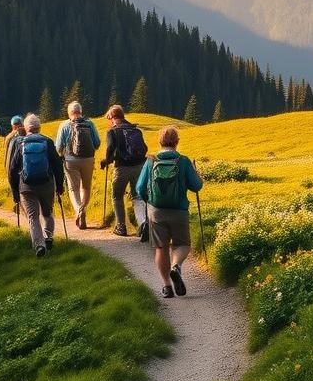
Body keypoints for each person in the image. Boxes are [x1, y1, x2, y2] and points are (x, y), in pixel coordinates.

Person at [135, 126, 203, 298]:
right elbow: (196, 186)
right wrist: (198, 175)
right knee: (183, 245)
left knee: (161, 248)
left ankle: (166, 286)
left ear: (160, 141)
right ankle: (176, 266)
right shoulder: (183, 161)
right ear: (177, 141)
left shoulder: (151, 161)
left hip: (156, 211)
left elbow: (140, 188)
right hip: (179, 210)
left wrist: (150, 202)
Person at [8, 113, 65, 257]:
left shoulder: (21, 143)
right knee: (47, 212)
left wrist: (15, 192)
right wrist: (59, 186)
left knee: (33, 217)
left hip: (26, 187)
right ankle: (48, 236)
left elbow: (12, 170)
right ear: (39, 127)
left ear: (26, 128)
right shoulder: (48, 142)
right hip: (46, 184)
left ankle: (39, 245)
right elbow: (58, 166)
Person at [101, 104, 148, 237]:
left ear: (113, 117)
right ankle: (143, 223)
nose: (110, 121)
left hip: (122, 168)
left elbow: (110, 150)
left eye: (109, 119)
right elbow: (144, 149)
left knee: (117, 195)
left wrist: (106, 161)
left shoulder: (113, 131)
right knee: (137, 196)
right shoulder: (136, 130)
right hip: (139, 167)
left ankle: (121, 227)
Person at [55, 101, 101, 229]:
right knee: (86, 187)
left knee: (73, 189)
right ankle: (83, 208)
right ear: (81, 111)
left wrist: (61, 155)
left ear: (69, 113)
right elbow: (97, 143)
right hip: (88, 160)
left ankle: (79, 211)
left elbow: (58, 146)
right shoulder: (90, 123)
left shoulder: (64, 125)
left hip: (70, 160)